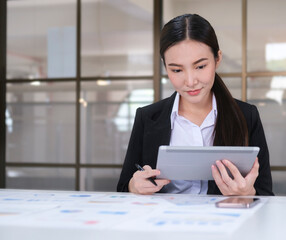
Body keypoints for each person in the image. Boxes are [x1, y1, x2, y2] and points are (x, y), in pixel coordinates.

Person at [117, 14, 273, 196]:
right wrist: (133, 186)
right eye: (176, 70)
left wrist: (248, 193)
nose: (190, 81)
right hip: (164, 221)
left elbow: (266, 195)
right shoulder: (147, 117)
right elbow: (122, 188)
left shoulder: (246, 116)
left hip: (225, 222)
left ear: (217, 59)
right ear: (165, 66)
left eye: (200, 66)